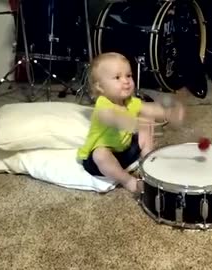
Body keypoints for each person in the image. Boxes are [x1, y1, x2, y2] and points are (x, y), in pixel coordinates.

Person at [77, 52, 185, 193]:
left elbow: (151, 109)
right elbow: (110, 117)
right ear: (100, 87)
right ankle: (127, 180)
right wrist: (132, 122)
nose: (126, 81)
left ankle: (148, 159)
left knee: (147, 118)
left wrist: (169, 114)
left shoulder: (131, 102)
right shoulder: (103, 104)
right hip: (99, 161)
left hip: (124, 151)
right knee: (100, 154)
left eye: (128, 75)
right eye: (117, 77)